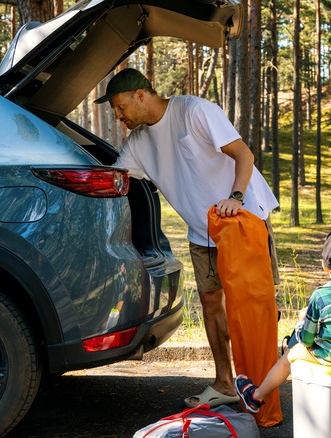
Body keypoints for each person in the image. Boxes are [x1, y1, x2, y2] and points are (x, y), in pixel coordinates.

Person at [95, 68, 280, 408]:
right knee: (211, 305)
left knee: (255, 307)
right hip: (202, 232)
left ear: (140, 95)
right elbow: (114, 178)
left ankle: (265, 386)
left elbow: (244, 155)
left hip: (243, 219)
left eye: (119, 107)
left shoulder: (195, 110)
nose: (117, 115)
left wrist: (235, 197)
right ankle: (225, 382)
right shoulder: (137, 143)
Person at [234, 228, 331, 413]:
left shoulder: (321, 295)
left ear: (325, 266)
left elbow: (306, 339)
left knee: (289, 356)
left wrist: (300, 320)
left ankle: (256, 397)